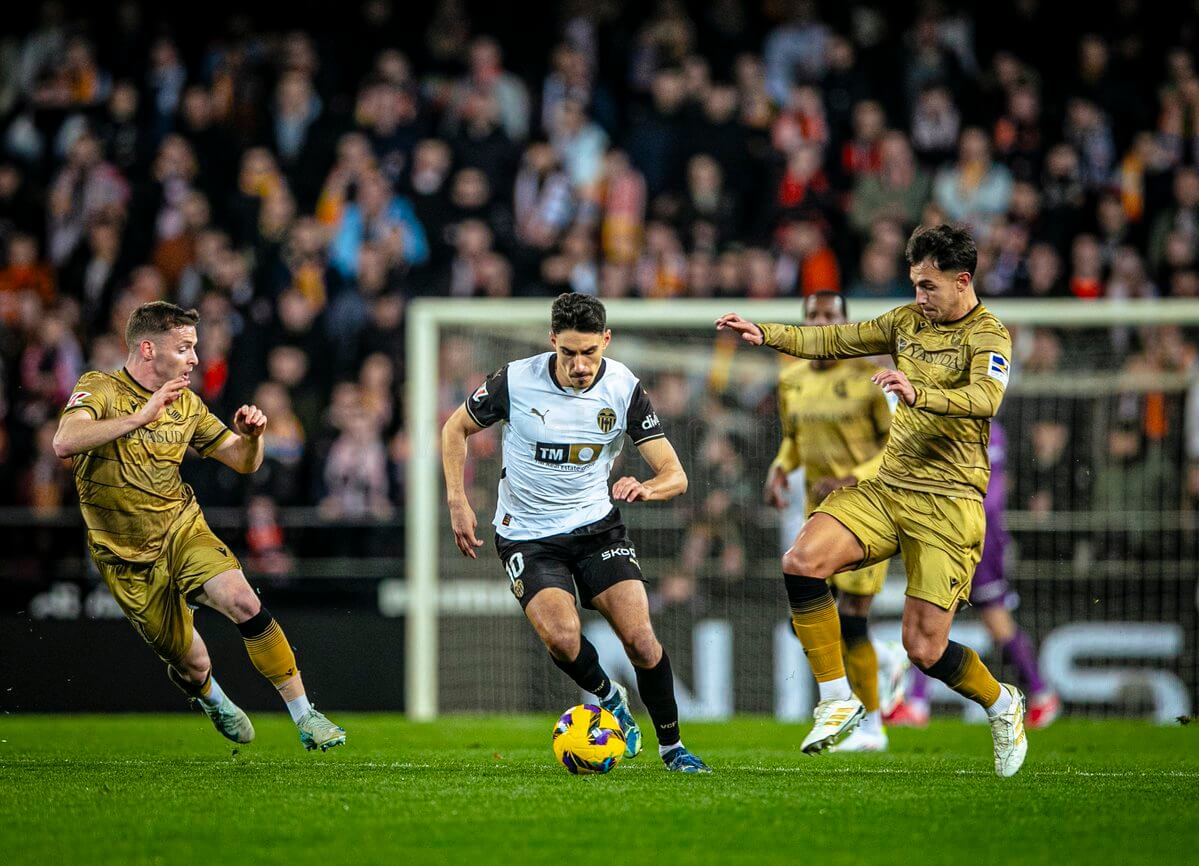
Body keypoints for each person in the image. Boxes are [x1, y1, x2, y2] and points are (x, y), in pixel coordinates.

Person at [717, 224, 1028, 777]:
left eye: (929, 287)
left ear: (962, 281)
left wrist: (919, 393)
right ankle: (837, 698)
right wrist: (766, 333)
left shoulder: (990, 335)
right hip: (890, 487)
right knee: (801, 561)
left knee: (924, 648)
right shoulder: (905, 323)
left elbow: (986, 398)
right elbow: (835, 339)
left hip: (950, 503)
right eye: (914, 284)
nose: (919, 298)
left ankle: (1003, 705)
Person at [53, 301, 345, 751]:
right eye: (185, 347)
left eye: (195, 347)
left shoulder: (186, 403)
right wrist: (139, 416)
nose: (194, 358)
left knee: (242, 599)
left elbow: (242, 463)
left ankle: (306, 716)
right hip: (126, 557)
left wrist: (252, 438)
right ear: (148, 349)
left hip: (181, 529)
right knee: (192, 662)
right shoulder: (101, 388)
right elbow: (64, 441)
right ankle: (210, 695)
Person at [442, 292, 711, 773]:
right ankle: (611, 698)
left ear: (606, 341)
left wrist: (648, 489)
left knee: (642, 642)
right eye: (569, 353)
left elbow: (676, 474)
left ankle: (674, 749)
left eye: (590, 352)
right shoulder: (515, 381)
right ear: (552, 343)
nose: (581, 365)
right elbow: (454, 429)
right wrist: (457, 501)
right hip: (527, 534)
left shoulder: (623, 387)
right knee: (563, 640)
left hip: (596, 529)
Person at [764, 291, 907, 752]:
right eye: (813, 317)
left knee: (851, 620)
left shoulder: (870, 377)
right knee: (804, 617)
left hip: (869, 510)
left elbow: (898, 446)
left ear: (846, 323)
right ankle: (882, 660)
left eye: (831, 316)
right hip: (819, 514)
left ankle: (871, 728)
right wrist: (780, 467)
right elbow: (794, 437)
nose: (822, 323)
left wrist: (853, 476)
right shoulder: (793, 378)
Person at [887, 421, 1061, 729]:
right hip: (949, 535)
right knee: (934, 613)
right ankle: (916, 702)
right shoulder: (944, 423)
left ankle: (1040, 692)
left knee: (992, 619)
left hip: (979, 540)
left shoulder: (989, 430)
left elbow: (991, 496)